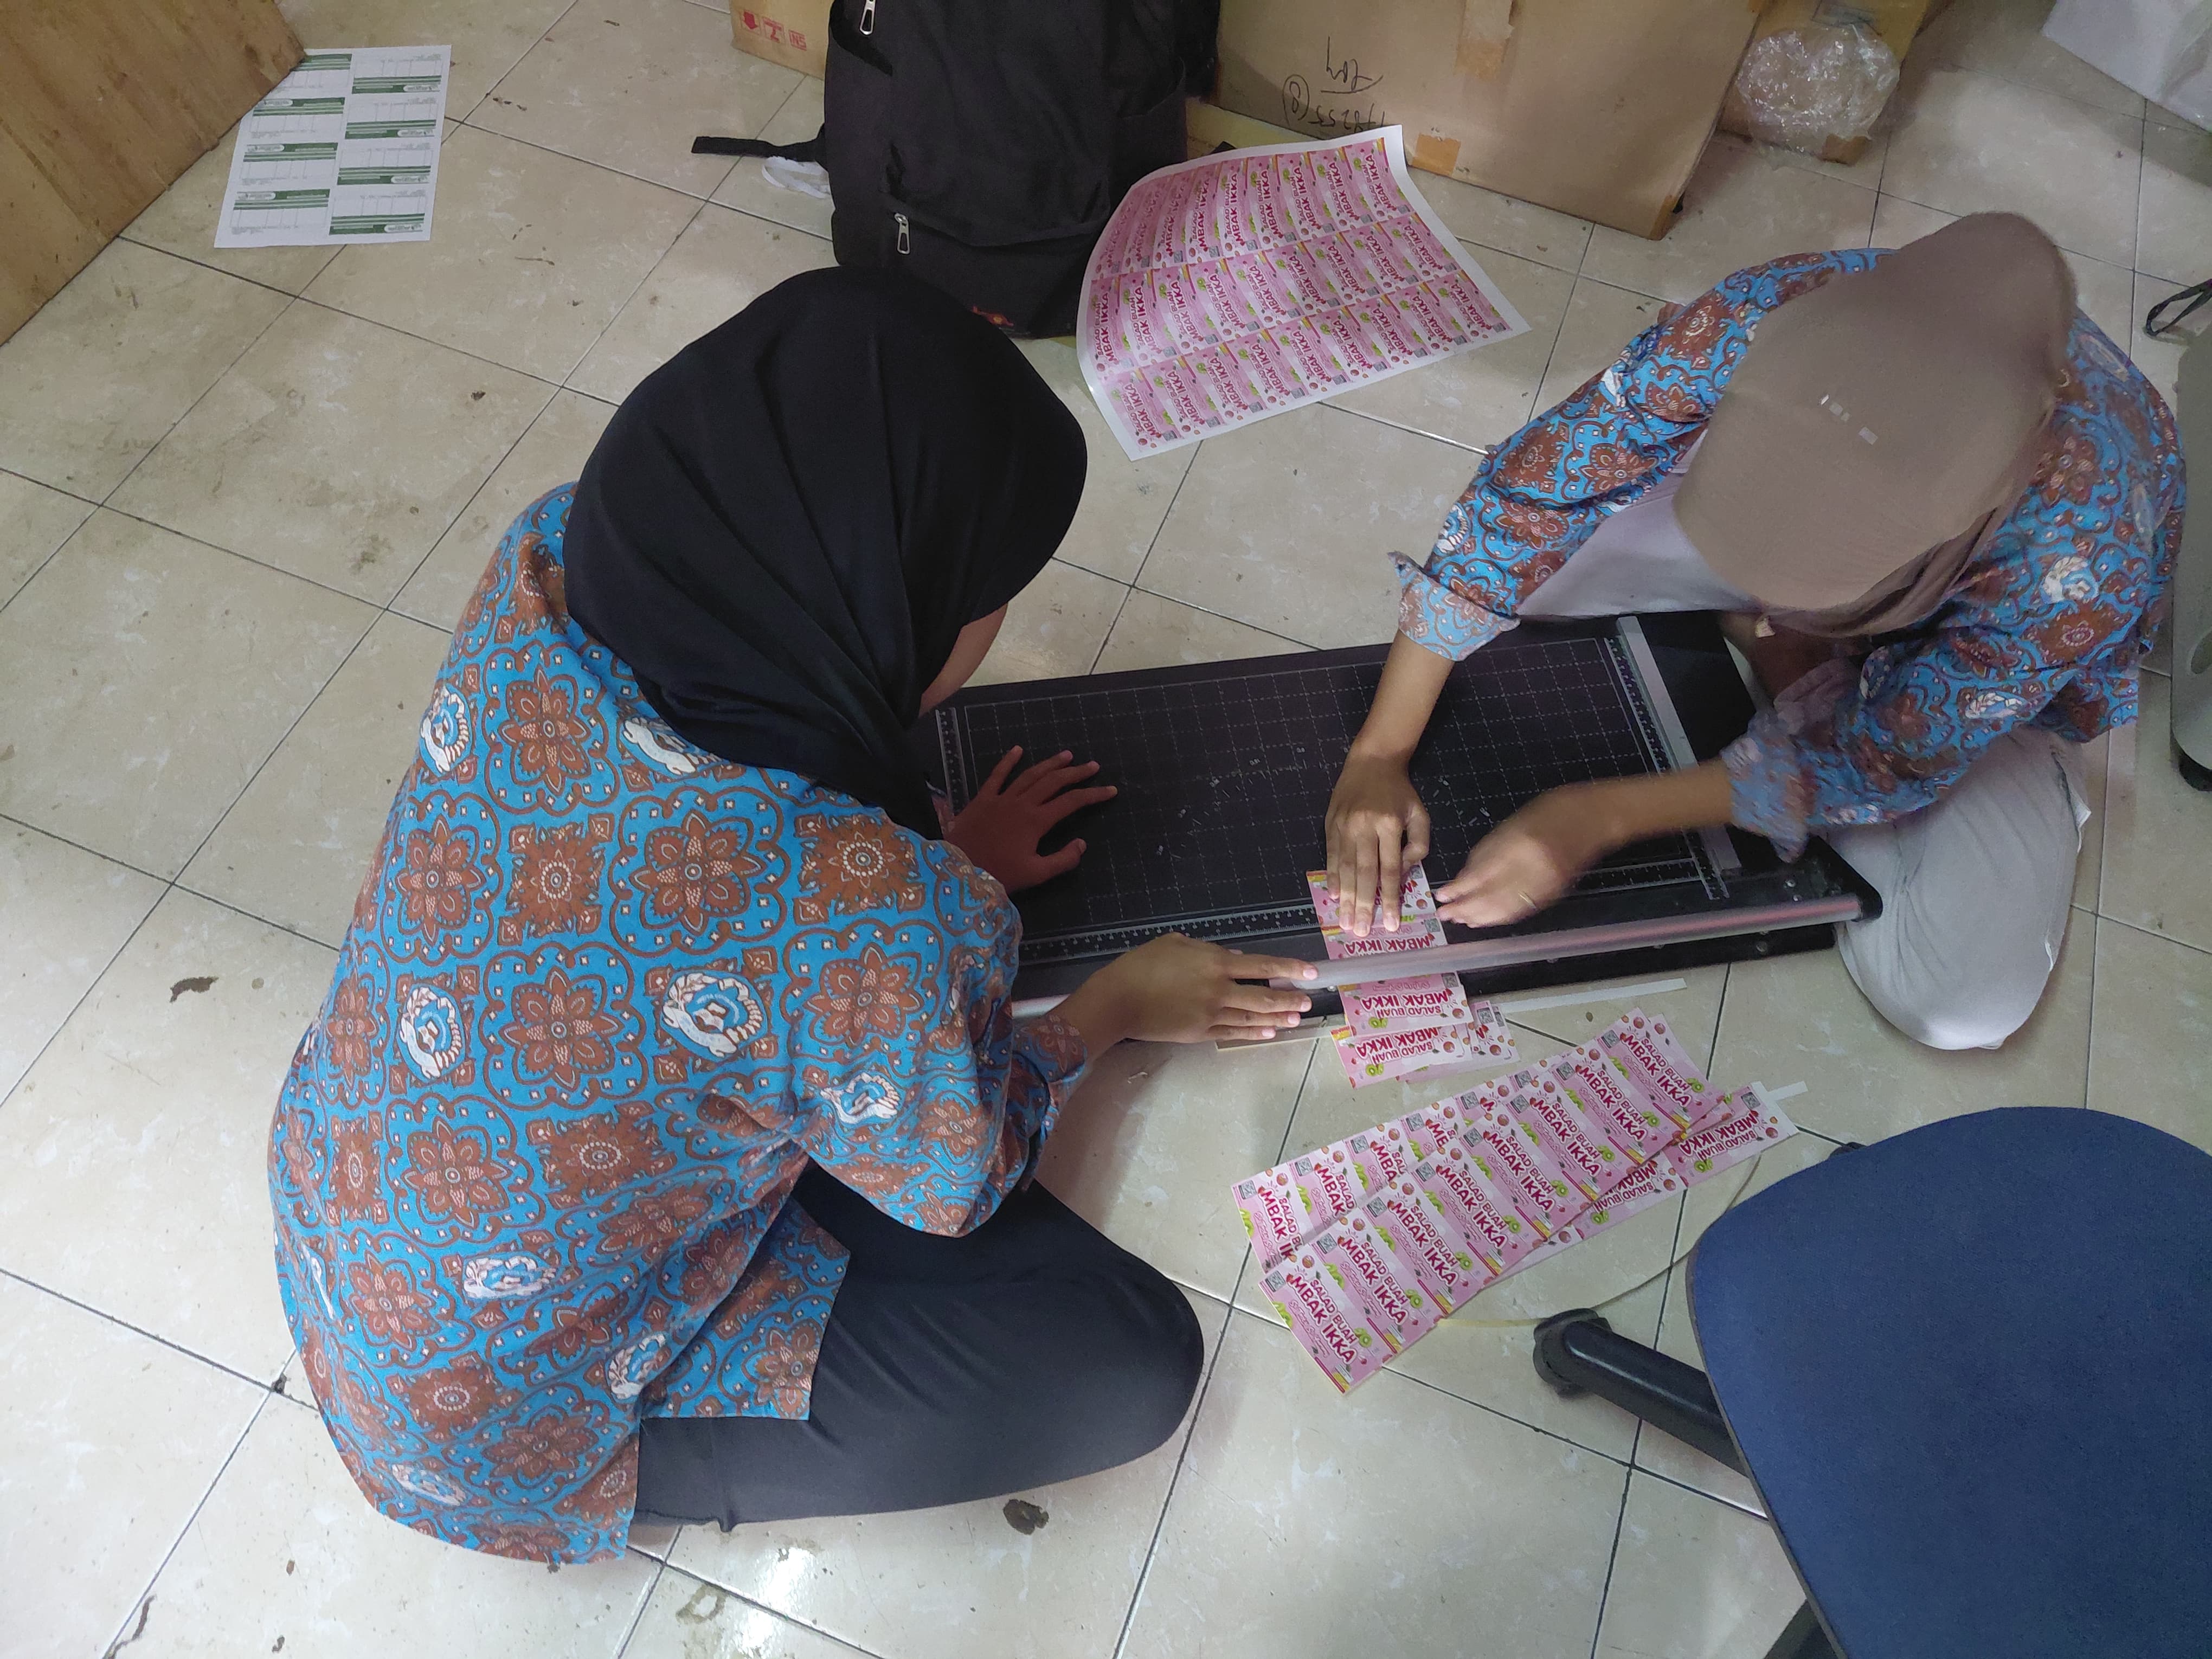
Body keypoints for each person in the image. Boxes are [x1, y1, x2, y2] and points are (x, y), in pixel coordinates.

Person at [267, 268, 1316, 1564]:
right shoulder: (867, 915)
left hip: (348, 1227)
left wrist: (919, 866)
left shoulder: (555, 556)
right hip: (497, 1423)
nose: (993, 625)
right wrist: (1109, 1008)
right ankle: (618, 1466)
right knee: (1128, 1356)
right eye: (988, 592)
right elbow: (957, 1181)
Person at [1324, 214, 2183, 1051]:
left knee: (1957, 1002)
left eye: (1803, 595)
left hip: (1982, 673)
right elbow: (1530, 499)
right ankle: (1781, 647)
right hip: (1789, 545)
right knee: (1525, 577)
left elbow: (1892, 757)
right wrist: (1379, 752)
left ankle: (1801, 665)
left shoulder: (2085, 550)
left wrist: (1601, 815)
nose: (1780, 601)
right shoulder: (1767, 312)